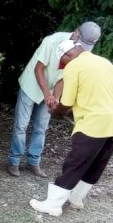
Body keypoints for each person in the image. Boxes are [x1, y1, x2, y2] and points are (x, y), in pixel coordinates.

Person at [29, 39, 113, 216]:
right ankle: (76, 198)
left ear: (69, 55)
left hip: (95, 121)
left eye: (63, 61)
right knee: (97, 162)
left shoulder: (74, 66)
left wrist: (54, 110)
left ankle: (53, 204)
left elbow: (66, 102)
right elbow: (96, 93)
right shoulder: (105, 63)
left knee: (75, 162)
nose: (63, 65)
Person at [7, 22, 102, 178]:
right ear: (76, 32)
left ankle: (33, 162)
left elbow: (63, 77)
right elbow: (39, 69)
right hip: (31, 85)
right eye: (82, 43)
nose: (83, 48)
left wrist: (56, 98)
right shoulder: (52, 41)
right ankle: (14, 161)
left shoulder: (80, 53)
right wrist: (46, 94)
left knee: (41, 128)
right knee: (21, 125)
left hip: (50, 90)